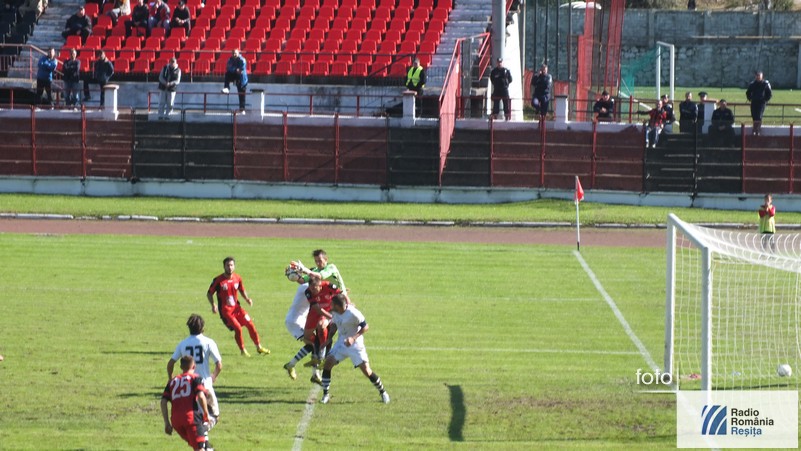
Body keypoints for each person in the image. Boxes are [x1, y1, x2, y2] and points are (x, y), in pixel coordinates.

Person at [319, 293, 390, 405]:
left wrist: (353, 338)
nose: (330, 306)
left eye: (332, 304)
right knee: (328, 364)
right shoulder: (335, 312)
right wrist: (329, 339)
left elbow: (365, 327)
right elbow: (334, 325)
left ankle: (383, 392)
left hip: (355, 345)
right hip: (341, 343)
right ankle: (325, 395)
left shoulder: (353, 313)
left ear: (338, 306)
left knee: (367, 371)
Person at [168, 314, 222, 434]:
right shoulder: (208, 342)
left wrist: (171, 379)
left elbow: (170, 364)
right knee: (214, 416)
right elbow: (219, 365)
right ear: (202, 327)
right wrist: (213, 376)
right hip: (204, 385)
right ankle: (202, 433)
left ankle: (201, 438)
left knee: (197, 418)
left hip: (188, 388)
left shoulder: (183, 344)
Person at [206, 256, 269, 357]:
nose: (230, 267)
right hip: (226, 311)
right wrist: (213, 304)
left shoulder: (237, 278)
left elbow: (242, 290)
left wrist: (247, 299)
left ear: (234, 266)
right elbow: (209, 293)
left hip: (237, 309)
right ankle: (243, 350)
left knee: (250, 324)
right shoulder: (218, 280)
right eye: (227, 265)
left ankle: (259, 347)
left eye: (231, 265)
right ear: (224, 267)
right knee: (238, 328)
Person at [161, 355, 212, 451]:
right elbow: (201, 396)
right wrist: (206, 413)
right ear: (194, 366)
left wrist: (167, 422)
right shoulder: (195, 378)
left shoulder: (172, 381)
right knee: (199, 448)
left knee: (200, 445)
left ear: (181, 367)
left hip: (176, 421)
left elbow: (163, 402)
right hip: (191, 418)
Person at [282, 277, 310, 381]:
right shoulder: (306, 287)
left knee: (314, 344)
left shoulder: (309, 286)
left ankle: (291, 365)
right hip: (294, 321)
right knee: (313, 344)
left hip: (301, 320)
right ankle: (291, 365)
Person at [746, 71, 772, 136]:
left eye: (759, 76)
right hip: (754, 102)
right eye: (757, 76)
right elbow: (748, 92)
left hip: (761, 103)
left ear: (762, 77)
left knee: (759, 116)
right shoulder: (752, 84)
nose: (758, 77)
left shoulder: (765, 84)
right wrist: (750, 98)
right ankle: (755, 129)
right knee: (754, 116)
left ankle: (757, 130)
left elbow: (769, 93)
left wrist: (765, 100)